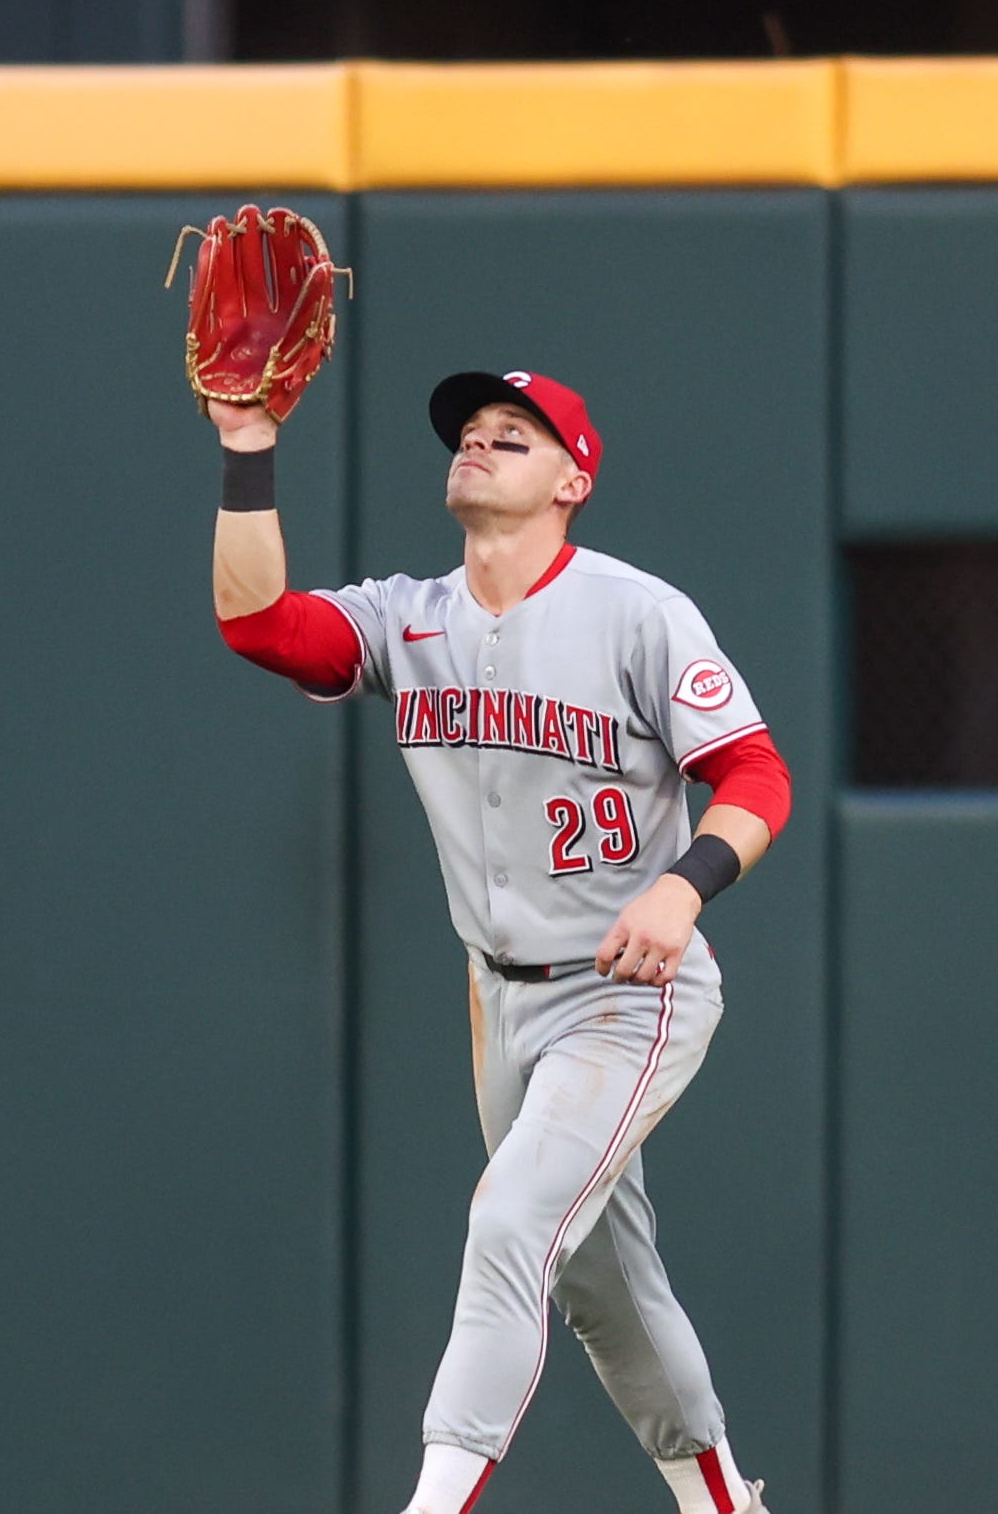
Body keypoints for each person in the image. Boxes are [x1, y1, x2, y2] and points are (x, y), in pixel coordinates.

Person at [209, 368, 793, 1514]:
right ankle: (724, 1501)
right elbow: (258, 624)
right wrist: (247, 447)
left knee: (511, 1219)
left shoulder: (636, 611)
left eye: (512, 436)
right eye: (470, 432)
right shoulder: (409, 615)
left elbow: (754, 772)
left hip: (631, 988)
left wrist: (685, 888)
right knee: (603, 1289)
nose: (478, 443)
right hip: (501, 1000)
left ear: (574, 480)